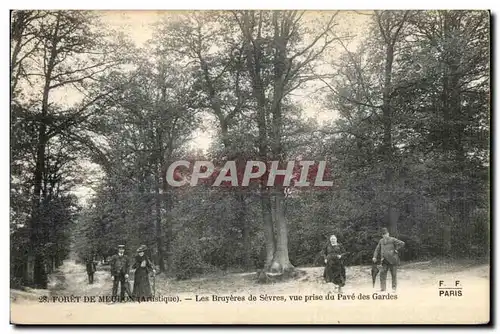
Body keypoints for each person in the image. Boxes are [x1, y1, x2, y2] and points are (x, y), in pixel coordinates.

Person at [372, 227, 405, 292]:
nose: (385, 235)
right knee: (382, 274)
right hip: (384, 260)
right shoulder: (381, 241)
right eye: (384, 234)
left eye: (386, 234)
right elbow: (377, 249)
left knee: (393, 274)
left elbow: (402, 243)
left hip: (393, 260)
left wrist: (396, 249)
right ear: (382, 235)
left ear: (388, 234)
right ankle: (383, 288)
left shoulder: (392, 239)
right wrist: (374, 257)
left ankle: (394, 288)